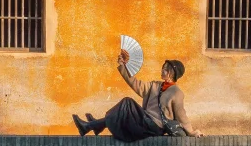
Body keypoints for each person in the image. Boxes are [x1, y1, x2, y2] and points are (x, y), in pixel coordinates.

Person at [73, 52, 203, 141]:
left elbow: (181, 115)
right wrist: (123, 66)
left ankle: (95, 125)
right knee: (126, 106)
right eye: (163, 68)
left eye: (165, 69)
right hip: (145, 121)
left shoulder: (176, 92)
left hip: (156, 127)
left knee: (127, 103)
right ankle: (94, 125)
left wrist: (191, 132)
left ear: (171, 73)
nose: (162, 70)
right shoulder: (155, 85)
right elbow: (135, 83)